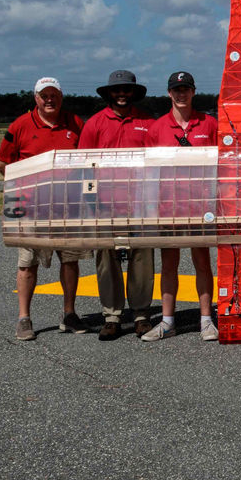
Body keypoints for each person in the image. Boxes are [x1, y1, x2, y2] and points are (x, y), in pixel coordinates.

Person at [0, 77, 87, 341]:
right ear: (35, 98)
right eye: (44, 95)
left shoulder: (74, 122)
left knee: (70, 260)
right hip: (32, 206)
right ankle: (24, 318)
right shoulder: (21, 125)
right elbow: (2, 163)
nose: (49, 99)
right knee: (27, 263)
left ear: (61, 97)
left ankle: (69, 314)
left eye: (54, 95)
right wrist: (23, 188)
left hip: (67, 205)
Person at [78, 70, 156, 340]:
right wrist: (91, 200)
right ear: (109, 93)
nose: (122, 94)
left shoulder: (147, 122)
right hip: (104, 204)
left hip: (139, 202)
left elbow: (156, 163)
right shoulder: (95, 123)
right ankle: (111, 315)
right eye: (117, 90)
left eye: (126, 90)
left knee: (142, 257)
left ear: (133, 93)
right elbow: (84, 167)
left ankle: (141, 314)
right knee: (105, 259)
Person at [142, 71, 219, 342]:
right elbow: (148, 173)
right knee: (169, 264)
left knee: (202, 262)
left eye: (185, 89)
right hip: (168, 205)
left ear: (194, 91)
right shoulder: (157, 128)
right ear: (169, 93)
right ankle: (167, 321)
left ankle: (206, 320)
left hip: (201, 205)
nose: (181, 93)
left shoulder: (209, 124)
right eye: (176, 89)